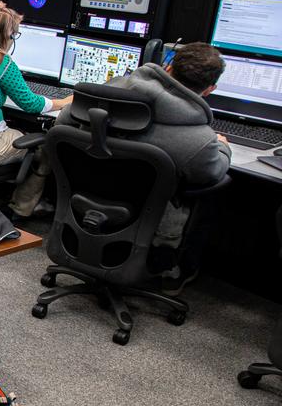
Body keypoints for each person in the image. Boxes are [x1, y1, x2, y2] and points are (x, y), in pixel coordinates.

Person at [54, 42, 231, 288]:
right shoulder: (198, 139)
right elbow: (211, 173)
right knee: (214, 192)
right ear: (210, 89)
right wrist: (222, 146)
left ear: (168, 68)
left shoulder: (111, 91)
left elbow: (61, 123)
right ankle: (172, 273)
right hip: (145, 218)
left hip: (83, 203)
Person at [0, 3, 71, 217]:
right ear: (7, 36)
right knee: (47, 144)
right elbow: (31, 104)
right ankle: (23, 206)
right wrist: (63, 102)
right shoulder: (2, 63)